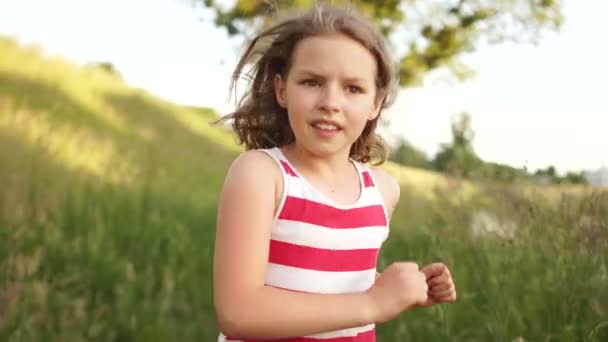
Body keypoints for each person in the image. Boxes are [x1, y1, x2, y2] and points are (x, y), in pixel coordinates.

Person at [213, 3, 457, 341]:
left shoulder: (382, 191)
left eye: (353, 88)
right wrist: (373, 303)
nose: (331, 101)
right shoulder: (261, 175)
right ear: (282, 89)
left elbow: (335, 279)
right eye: (312, 82)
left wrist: (401, 290)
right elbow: (238, 313)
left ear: (376, 103)